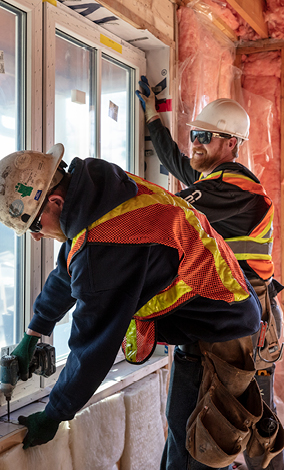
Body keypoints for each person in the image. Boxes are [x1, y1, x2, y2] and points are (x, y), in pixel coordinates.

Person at [0, 145, 281, 469]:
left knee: (204, 451)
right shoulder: (94, 189)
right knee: (181, 434)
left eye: (34, 226)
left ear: (55, 202)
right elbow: (68, 268)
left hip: (225, 324)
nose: (37, 237)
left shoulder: (106, 245)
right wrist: (35, 331)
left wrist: (54, 414)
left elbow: (92, 349)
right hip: (200, 314)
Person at [136, 77, 283, 470]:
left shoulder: (234, 190)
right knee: (223, 430)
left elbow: (167, 212)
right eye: (194, 134)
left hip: (234, 334)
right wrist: (153, 117)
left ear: (231, 143)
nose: (195, 142)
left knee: (210, 436)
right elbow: (175, 161)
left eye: (205, 136)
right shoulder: (213, 183)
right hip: (227, 325)